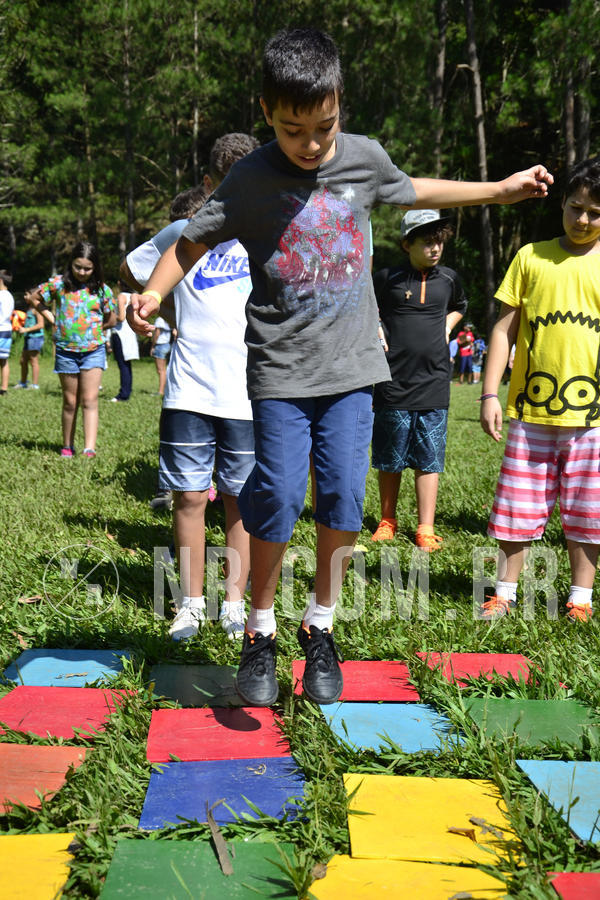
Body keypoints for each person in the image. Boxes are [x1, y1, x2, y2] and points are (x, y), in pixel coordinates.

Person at [127, 27, 552, 707]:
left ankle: (319, 625)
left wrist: (498, 190)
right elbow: (193, 239)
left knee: (345, 501)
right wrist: (153, 293)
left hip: (354, 370)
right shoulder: (252, 177)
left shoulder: (360, 158)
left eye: (324, 126)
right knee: (272, 498)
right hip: (281, 373)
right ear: (267, 111)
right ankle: (259, 631)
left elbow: (413, 185)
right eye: (294, 129)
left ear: (339, 106)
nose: (311, 143)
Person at [122, 133, 258, 642]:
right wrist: (149, 307)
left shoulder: (269, 232)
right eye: (228, 185)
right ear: (209, 184)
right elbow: (137, 274)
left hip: (249, 392)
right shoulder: (182, 230)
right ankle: (192, 606)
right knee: (189, 498)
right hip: (189, 389)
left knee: (242, 501)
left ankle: (234, 605)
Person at [480, 155, 600, 624]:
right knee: (517, 506)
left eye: (595, 213)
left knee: (588, 512)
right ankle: (505, 592)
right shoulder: (531, 257)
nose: (583, 220)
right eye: (576, 208)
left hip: (592, 421)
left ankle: (581, 599)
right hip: (532, 416)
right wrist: (490, 392)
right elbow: (503, 331)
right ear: (562, 204)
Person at [370, 209, 467, 550]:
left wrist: (447, 325)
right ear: (406, 243)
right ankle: (387, 519)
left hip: (434, 382)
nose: (435, 249)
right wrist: (376, 328)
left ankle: (425, 527)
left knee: (429, 457)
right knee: (390, 457)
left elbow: (461, 305)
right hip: (391, 381)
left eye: (439, 242)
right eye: (427, 243)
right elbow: (369, 307)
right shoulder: (386, 278)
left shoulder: (449, 279)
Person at [31, 241, 116, 457]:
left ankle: (89, 448)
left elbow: (111, 319)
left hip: (93, 351)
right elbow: (34, 298)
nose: (82, 272)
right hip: (65, 351)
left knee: (89, 400)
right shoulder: (59, 284)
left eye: (87, 268)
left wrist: (93, 329)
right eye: (78, 267)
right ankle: (67, 445)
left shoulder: (102, 290)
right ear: (71, 264)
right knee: (70, 401)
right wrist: (52, 318)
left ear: (95, 267)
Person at [110, 282, 139, 402]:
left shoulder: (121, 296)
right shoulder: (134, 296)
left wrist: (110, 317)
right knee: (127, 365)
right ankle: (127, 391)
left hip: (120, 334)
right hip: (130, 334)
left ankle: (123, 394)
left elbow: (121, 317)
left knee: (122, 365)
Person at [15, 289, 45, 389]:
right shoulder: (29, 308)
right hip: (28, 338)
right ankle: (23, 382)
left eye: (27, 295)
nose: (25, 297)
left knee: (33, 361)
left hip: (35, 338)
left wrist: (26, 329)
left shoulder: (37, 308)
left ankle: (35, 385)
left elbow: (41, 324)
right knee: (23, 361)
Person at [0, 270, 15, 396]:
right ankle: (3, 388)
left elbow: (4, 315)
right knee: (3, 360)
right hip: (6, 330)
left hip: (1, 330)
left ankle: (3, 388)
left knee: (3, 360)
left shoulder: (3, 296)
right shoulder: (8, 295)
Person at [150, 315, 172, 395]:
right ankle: (165, 390)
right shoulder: (168, 318)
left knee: (161, 370)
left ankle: (161, 391)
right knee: (164, 369)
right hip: (167, 344)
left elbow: (157, 333)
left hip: (160, 345)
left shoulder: (160, 319)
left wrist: (153, 345)